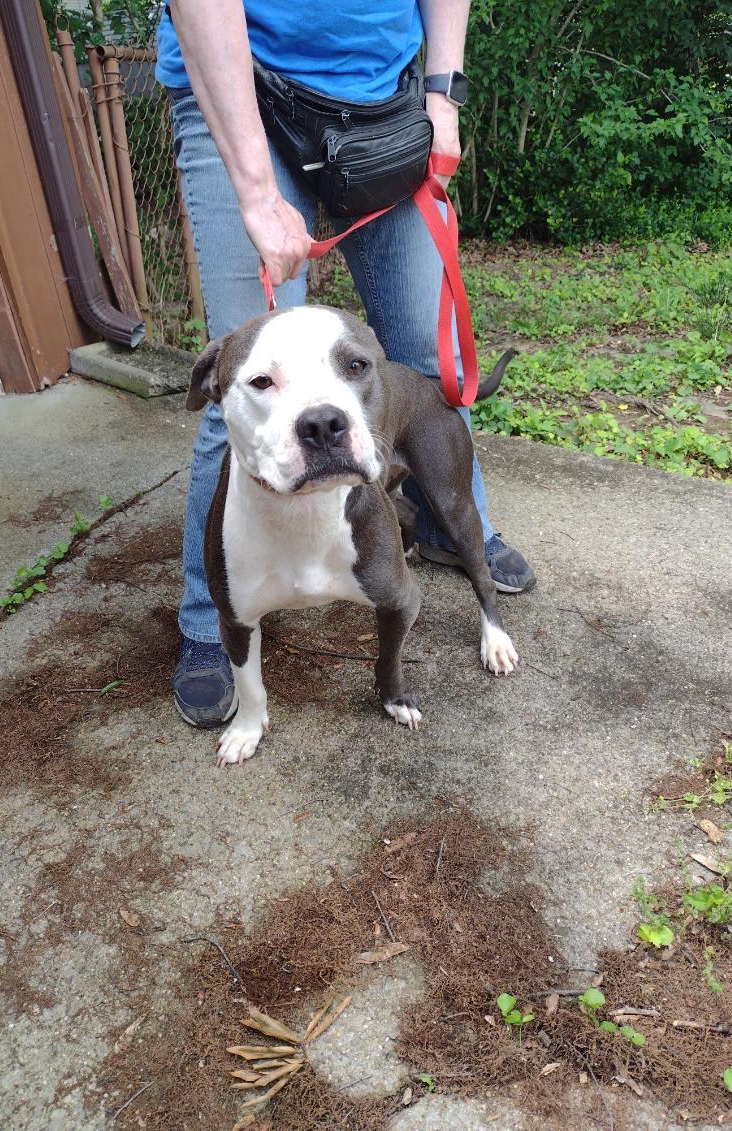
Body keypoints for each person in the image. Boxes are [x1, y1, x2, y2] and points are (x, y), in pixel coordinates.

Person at [157, 0, 536, 728]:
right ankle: (215, 617)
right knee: (240, 384)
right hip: (242, 90)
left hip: (383, 96)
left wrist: (442, 91)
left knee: (422, 362)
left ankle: (451, 527)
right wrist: (256, 189)